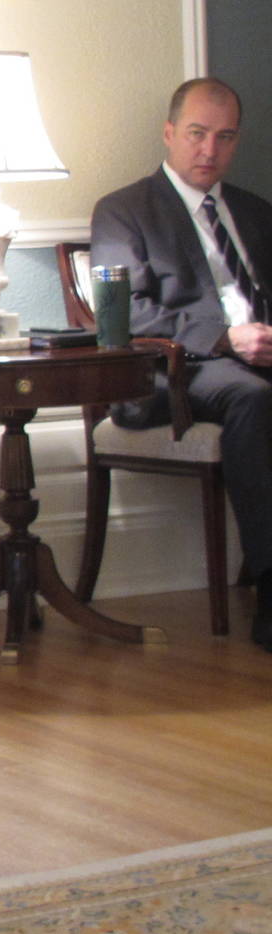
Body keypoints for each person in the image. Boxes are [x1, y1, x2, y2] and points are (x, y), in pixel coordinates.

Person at [90, 75, 272, 652]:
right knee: (252, 398)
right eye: (196, 134)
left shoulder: (255, 211)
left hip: (258, 357)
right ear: (169, 133)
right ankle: (271, 588)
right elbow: (127, 316)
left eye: (224, 137)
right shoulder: (123, 211)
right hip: (178, 370)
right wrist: (226, 338)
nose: (209, 151)